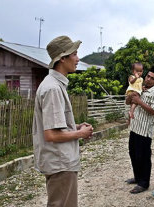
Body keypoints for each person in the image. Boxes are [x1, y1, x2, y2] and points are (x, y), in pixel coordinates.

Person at [32, 35, 94, 207]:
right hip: (60, 163)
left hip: (60, 162)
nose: (77, 59)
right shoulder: (52, 88)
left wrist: (75, 127)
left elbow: (54, 126)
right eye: (74, 54)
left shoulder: (55, 85)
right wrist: (80, 133)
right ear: (62, 58)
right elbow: (51, 134)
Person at [125, 66, 154, 194]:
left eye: (153, 78)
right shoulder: (138, 87)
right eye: (148, 76)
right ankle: (137, 177)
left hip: (145, 131)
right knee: (133, 154)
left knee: (144, 157)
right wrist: (131, 97)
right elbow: (127, 102)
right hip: (134, 128)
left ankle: (144, 183)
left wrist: (139, 102)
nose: (149, 79)